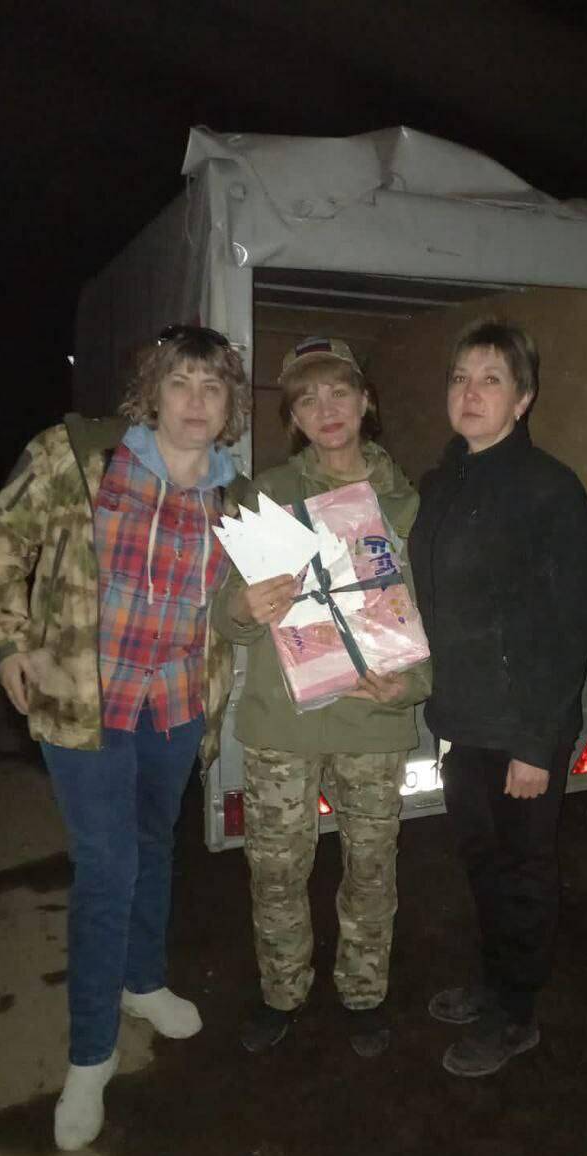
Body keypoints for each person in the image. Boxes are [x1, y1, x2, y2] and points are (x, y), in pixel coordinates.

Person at [0, 324, 251, 1149]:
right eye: (180, 382)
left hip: (175, 704)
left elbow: (239, 609)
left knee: (153, 844)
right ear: (151, 392)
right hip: (83, 701)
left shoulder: (237, 499)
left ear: (230, 406)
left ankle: (142, 981)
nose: (195, 401)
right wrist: (6, 641)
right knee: (108, 866)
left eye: (213, 387)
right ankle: (91, 1056)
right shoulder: (79, 458)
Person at [212, 337, 430, 1059]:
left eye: (339, 392)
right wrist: (242, 606)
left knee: (371, 869)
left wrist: (413, 684)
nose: (326, 409)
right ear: (293, 418)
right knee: (276, 873)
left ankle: (364, 993)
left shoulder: (408, 503)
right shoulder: (265, 495)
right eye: (307, 399)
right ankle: (282, 993)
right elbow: (224, 616)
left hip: (373, 719)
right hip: (284, 725)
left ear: (367, 401)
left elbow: (438, 614)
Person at [408, 318, 587, 1077]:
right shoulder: (440, 484)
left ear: (523, 399)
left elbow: (566, 627)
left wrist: (535, 744)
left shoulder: (550, 489)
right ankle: (492, 983)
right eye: (460, 378)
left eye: (491, 380)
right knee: (482, 864)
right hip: (462, 718)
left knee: (522, 874)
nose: (471, 393)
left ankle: (516, 1015)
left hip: (521, 726)